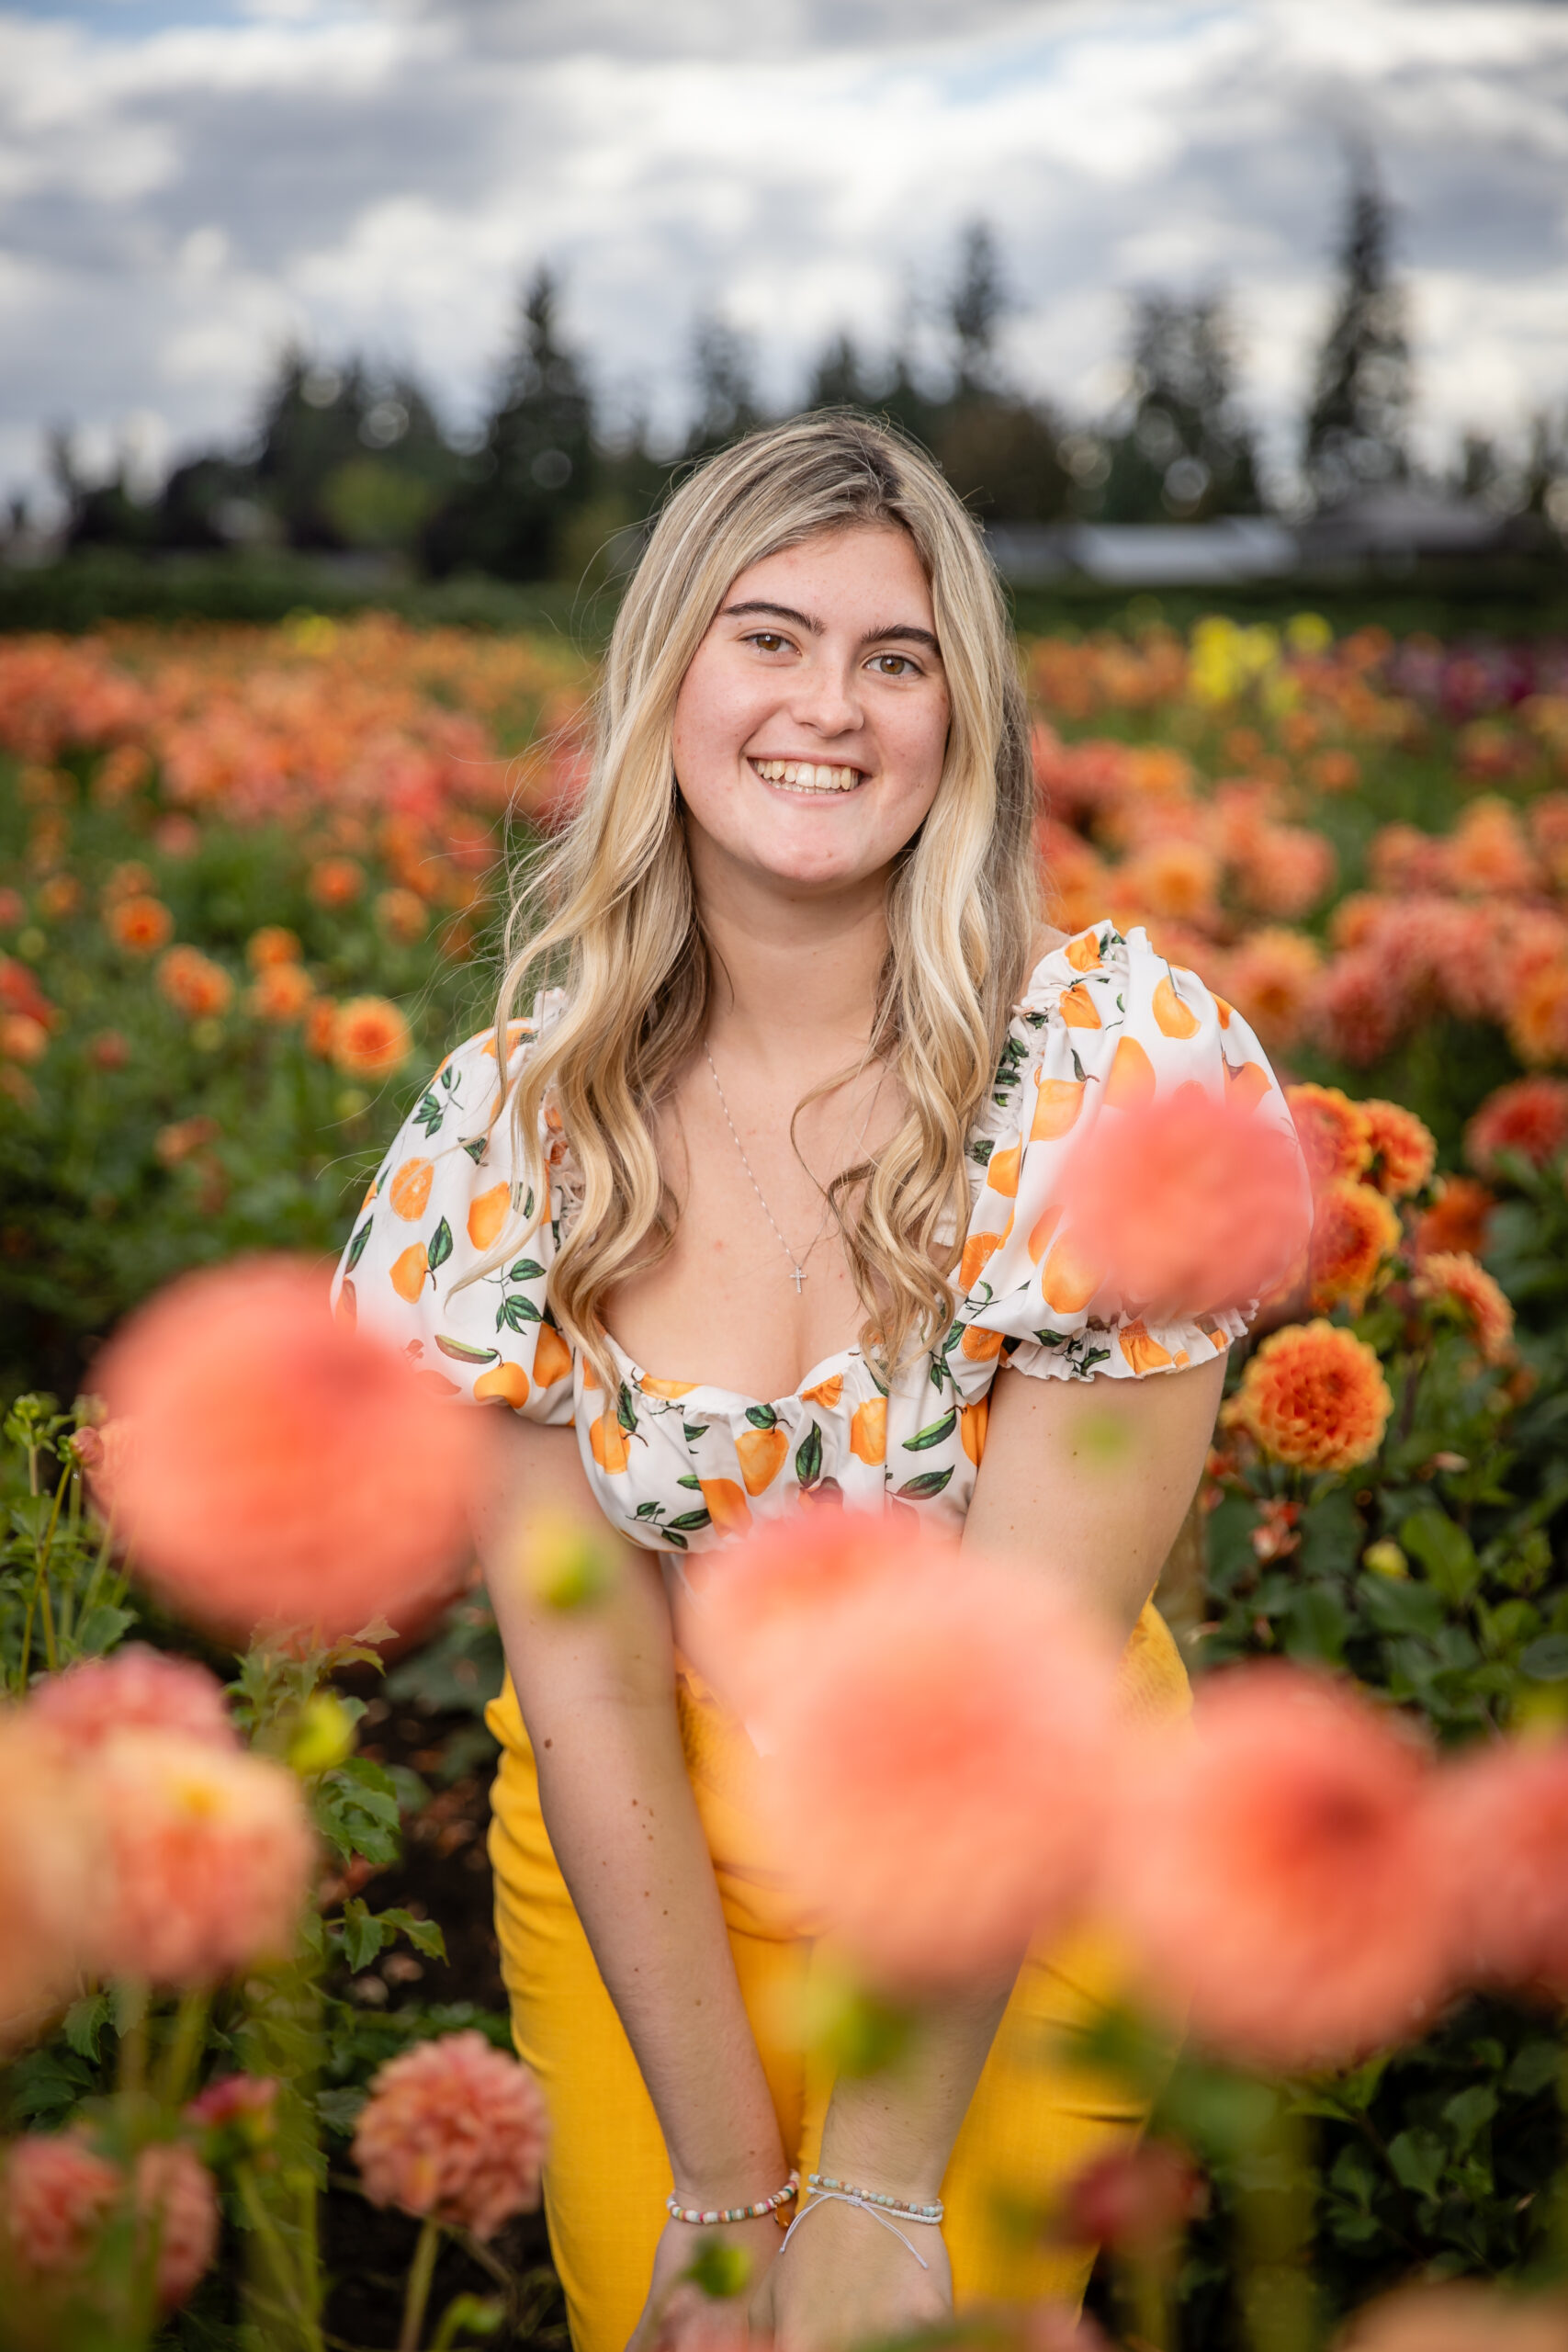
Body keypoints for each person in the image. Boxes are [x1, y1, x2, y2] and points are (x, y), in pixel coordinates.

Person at [336, 413, 1300, 2352]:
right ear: (666, 680)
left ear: (965, 718)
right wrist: (720, 2183)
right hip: (641, 1883)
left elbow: (1023, 1678)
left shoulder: (1117, 1071)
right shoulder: (511, 1130)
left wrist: (865, 2190)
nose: (827, 710)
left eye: (895, 656)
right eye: (766, 637)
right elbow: (585, 1671)